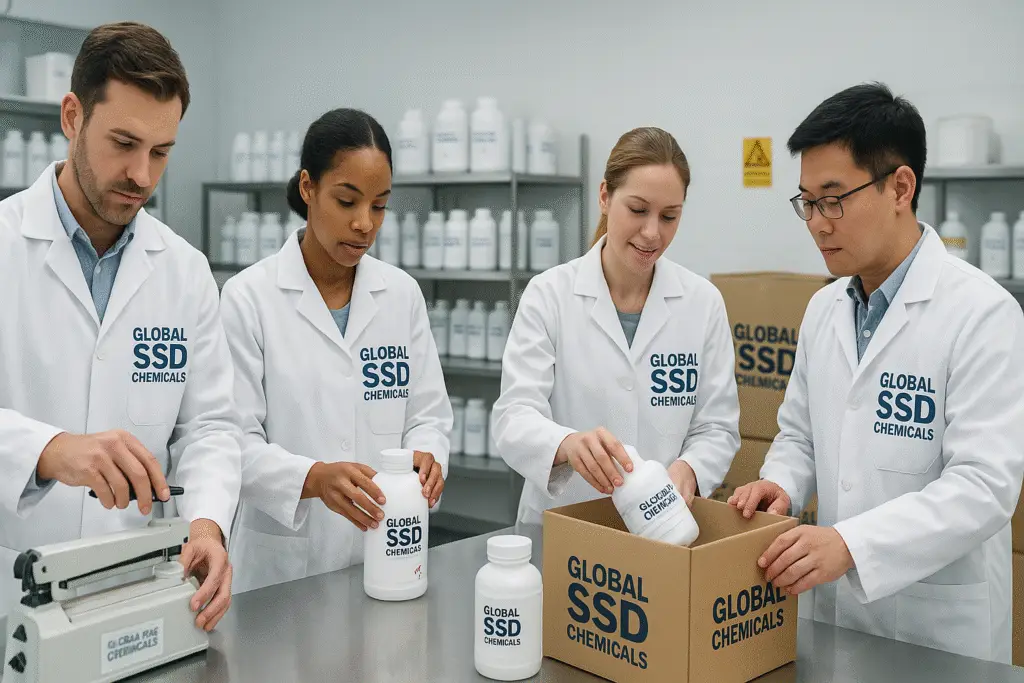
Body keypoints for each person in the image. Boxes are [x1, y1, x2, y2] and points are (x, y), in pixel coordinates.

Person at [729, 82, 1024, 663]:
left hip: (936, 632)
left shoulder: (983, 314)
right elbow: (799, 436)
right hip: (832, 613)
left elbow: (984, 488)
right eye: (807, 202)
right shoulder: (824, 308)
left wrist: (853, 544)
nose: (817, 223)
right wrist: (782, 483)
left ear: (901, 187)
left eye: (834, 199)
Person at [0, 22, 240, 631]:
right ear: (73, 116)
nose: (142, 175)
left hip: (140, 586)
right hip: (12, 588)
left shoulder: (184, 271)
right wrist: (48, 451)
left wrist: (208, 522)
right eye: (124, 142)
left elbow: (210, 427)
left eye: (160, 152)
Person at [221, 108, 452, 595]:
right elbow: (230, 443)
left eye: (380, 205)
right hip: (283, 568)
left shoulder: (402, 295)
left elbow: (428, 414)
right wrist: (312, 477)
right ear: (308, 188)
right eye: (347, 201)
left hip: (389, 545)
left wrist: (429, 453)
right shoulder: (249, 298)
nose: (364, 224)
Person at [492, 127, 740, 524]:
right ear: (605, 196)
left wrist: (689, 469)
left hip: (659, 525)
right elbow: (514, 417)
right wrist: (566, 444)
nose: (652, 233)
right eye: (638, 210)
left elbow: (717, 427)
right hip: (563, 522)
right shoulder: (550, 294)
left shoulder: (702, 302)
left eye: (669, 216)